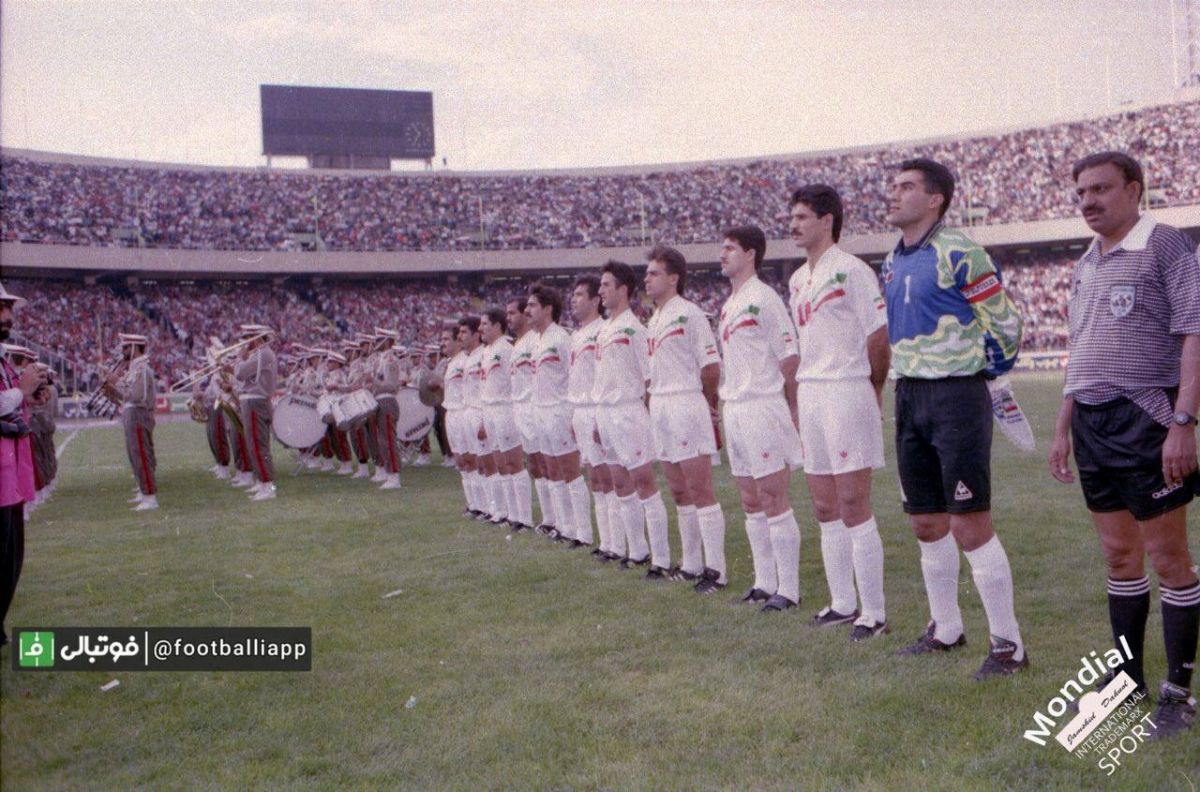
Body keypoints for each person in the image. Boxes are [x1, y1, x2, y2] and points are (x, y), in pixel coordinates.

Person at [1049, 151, 1199, 738]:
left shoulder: (1164, 245)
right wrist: (1062, 426)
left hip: (1146, 419)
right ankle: (1127, 679)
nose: (1088, 200)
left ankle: (1178, 690)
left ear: (1134, 190)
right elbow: (1080, 350)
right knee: (1118, 556)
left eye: (1101, 189)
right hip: (1090, 424)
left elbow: (1193, 333)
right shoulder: (1086, 261)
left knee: (1169, 559)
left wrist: (1183, 421)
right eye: (1081, 191)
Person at [881, 157, 1027, 679]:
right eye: (893, 186)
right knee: (925, 520)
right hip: (909, 396)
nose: (893, 195)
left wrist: (982, 375)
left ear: (935, 198)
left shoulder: (960, 250)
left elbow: (1006, 324)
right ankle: (946, 627)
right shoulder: (893, 259)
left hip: (955, 397)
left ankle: (1009, 644)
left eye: (906, 187)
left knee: (969, 523)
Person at [786, 185, 890, 640]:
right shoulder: (795, 280)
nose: (794, 225)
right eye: (793, 217)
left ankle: (875, 612)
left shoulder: (852, 271)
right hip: (812, 393)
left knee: (853, 503)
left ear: (828, 220)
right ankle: (842, 602)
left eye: (803, 217)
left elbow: (878, 335)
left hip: (847, 389)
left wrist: (872, 387)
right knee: (825, 505)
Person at [717, 227, 804, 611]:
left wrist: (795, 408)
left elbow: (789, 357)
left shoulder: (765, 298)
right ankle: (763, 581)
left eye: (730, 248)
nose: (723, 254)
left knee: (772, 495)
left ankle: (789, 588)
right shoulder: (728, 304)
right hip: (734, 408)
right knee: (750, 499)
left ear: (750, 254)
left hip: (762, 405)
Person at [643, 245, 728, 591]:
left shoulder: (689, 314)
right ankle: (692, 563)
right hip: (661, 405)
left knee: (699, 488)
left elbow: (710, 366)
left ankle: (717, 570)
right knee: (678, 490)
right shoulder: (654, 319)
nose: (646, 279)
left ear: (674, 278)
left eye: (654, 273)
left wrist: (706, 403)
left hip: (685, 403)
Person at [0, 282, 44, 647]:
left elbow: (14, 404)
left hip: (10, 473)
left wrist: (32, 395)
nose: (7, 317)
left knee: (12, 556)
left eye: (8, 309)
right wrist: (22, 391)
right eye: (1, 309)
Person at [527, 285, 580, 542]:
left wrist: (572, 414)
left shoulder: (561, 338)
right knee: (552, 471)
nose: (528, 311)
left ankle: (582, 531)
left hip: (560, 410)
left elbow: (574, 376)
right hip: (541, 411)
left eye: (533, 305)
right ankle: (563, 525)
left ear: (548, 309)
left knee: (569, 470)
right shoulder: (537, 341)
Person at [567, 275, 611, 556]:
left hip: (598, 409)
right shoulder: (577, 335)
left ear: (596, 300)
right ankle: (606, 542)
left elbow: (603, 377)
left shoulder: (602, 331)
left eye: (581, 295)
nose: (574, 299)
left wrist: (597, 415)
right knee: (595, 478)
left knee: (609, 478)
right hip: (580, 410)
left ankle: (619, 544)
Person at [478, 308, 529, 530]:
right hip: (489, 410)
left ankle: (524, 517)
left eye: (485, 324)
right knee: (500, 464)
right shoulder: (486, 352)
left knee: (513, 463)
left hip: (505, 408)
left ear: (498, 325)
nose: (481, 328)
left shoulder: (507, 348)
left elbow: (517, 380)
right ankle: (511, 513)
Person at [507, 298, 553, 532]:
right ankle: (547, 518)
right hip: (521, 408)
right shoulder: (516, 344)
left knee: (546, 463)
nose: (510, 317)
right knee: (535, 464)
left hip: (536, 406)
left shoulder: (536, 340)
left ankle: (555, 519)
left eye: (513, 312)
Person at [110, 333, 159, 512]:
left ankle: (150, 496)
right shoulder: (134, 368)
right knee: (135, 455)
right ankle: (143, 490)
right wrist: (113, 387)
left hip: (138, 413)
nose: (122, 351)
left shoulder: (141, 369)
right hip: (132, 413)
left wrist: (118, 383)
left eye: (125, 347)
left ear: (134, 348)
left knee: (141, 454)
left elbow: (138, 396)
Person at [233, 324, 278, 501]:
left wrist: (239, 359)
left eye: (247, 338)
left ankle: (267, 486)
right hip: (254, 401)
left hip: (255, 402)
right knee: (257, 444)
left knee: (258, 445)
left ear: (256, 338)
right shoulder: (260, 354)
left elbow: (240, 373)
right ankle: (263, 482)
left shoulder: (262, 353)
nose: (245, 343)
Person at [371, 329, 403, 490]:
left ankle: (394, 476)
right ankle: (388, 473)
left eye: (380, 339)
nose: (376, 343)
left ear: (387, 341)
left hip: (387, 401)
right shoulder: (380, 360)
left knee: (389, 440)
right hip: (380, 401)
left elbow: (391, 385)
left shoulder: (390, 360)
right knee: (383, 441)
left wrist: (373, 382)